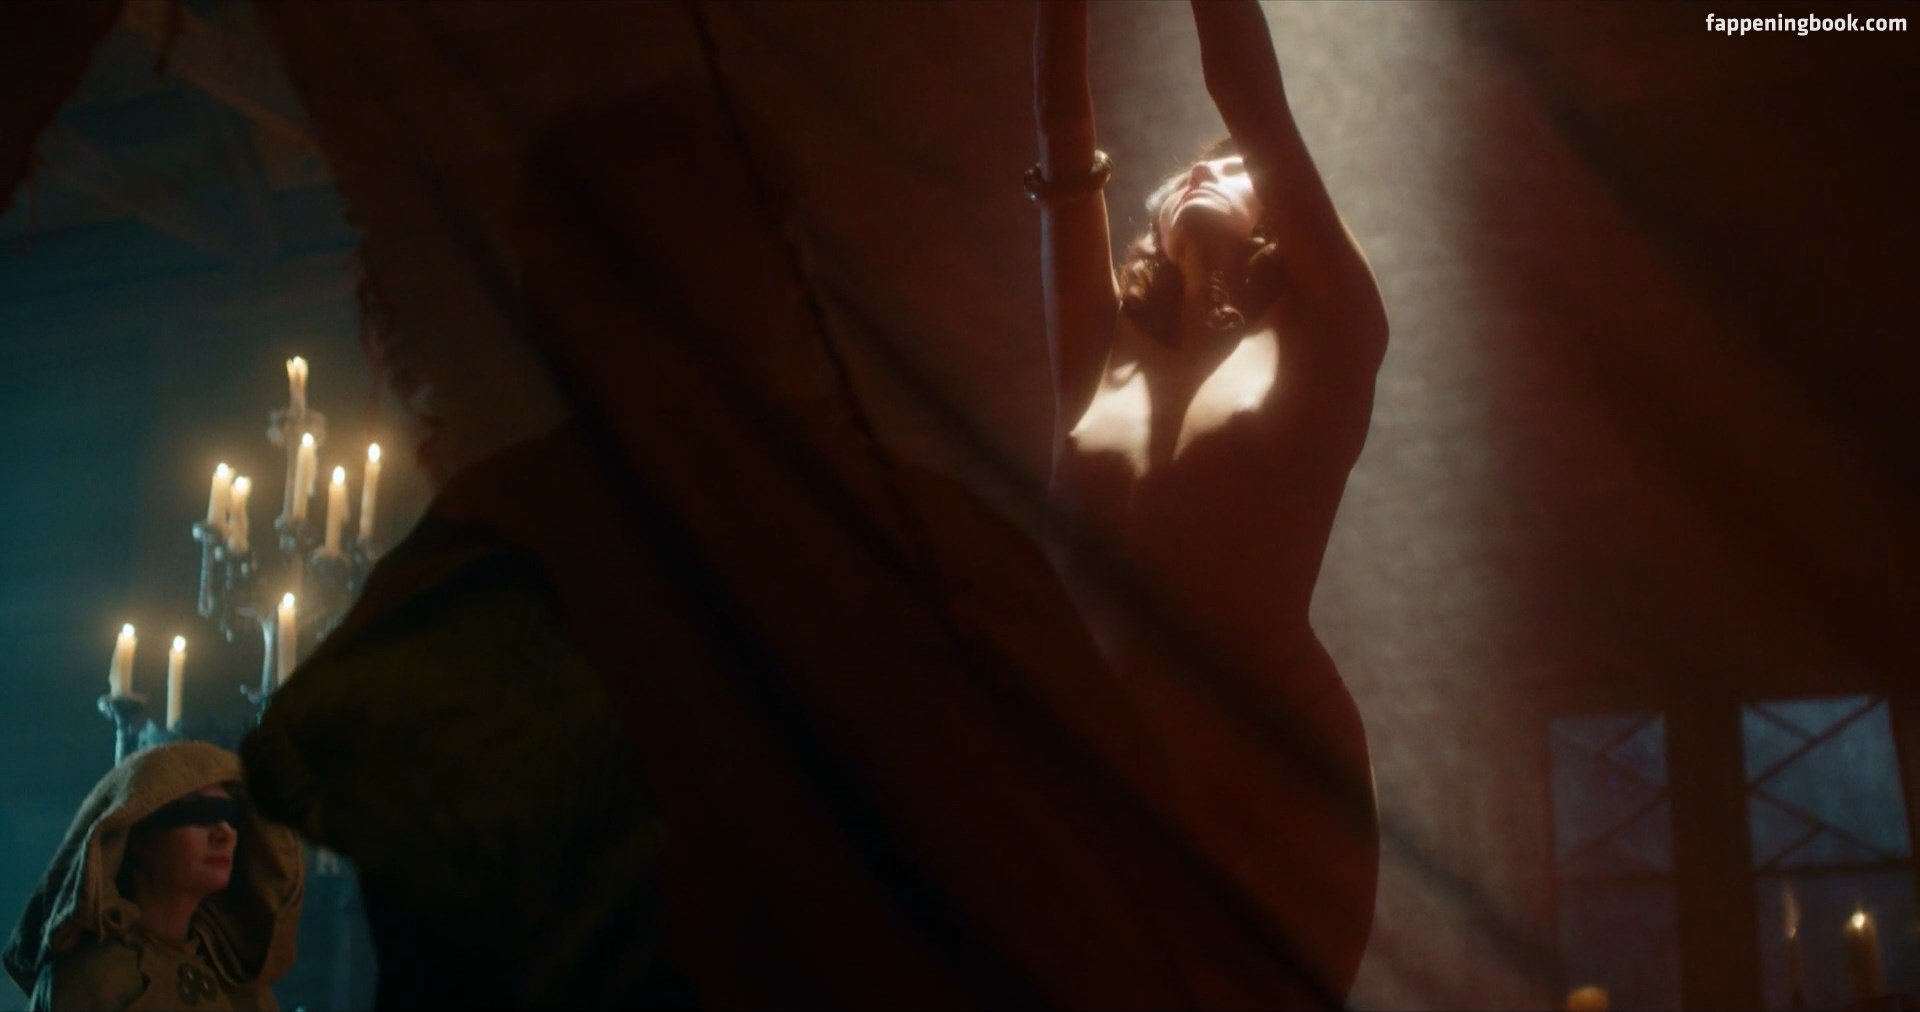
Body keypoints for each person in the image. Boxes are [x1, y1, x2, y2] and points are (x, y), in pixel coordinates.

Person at [1031, 0, 1388, 998]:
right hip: (1099, 781)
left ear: (1287, 212)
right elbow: (1062, 129)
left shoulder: (1331, 330)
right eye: (1189, 168)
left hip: (1273, 777)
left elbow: (1247, 90)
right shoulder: (1103, 347)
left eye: (1232, 167)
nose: (1203, 170)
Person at [3, 742, 304, 1011]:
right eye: (199, 813)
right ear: (137, 837)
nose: (225, 833)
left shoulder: (240, 982)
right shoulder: (95, 979)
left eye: (230, 816)